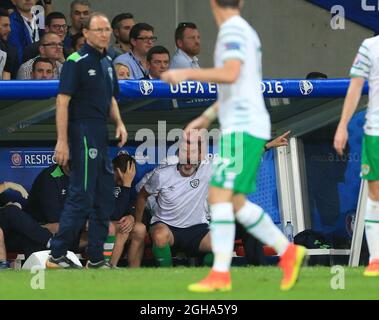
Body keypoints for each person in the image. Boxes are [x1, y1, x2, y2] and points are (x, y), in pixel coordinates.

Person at [161, 0, 306, 292]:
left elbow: (229, 74)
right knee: (232, 201)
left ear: (214, 4)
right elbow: (235, 86)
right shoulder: (242, 32)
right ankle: (286, 253)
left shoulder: (233, 32)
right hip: (242, 124)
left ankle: (222, 272)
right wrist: (205, 117)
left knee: (221, 198)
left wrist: (185, 74)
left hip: (245, 125)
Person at [46, 12, 127, 269]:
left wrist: (120, 123)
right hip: (81, 132)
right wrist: (62, 141)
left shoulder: (108, 63)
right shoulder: (75, 61)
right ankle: (56, 256)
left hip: (100, 134)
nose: (104, 34)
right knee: (81, 195)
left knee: (104, 198)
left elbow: (111, 99)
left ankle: (95, 259)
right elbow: (62, 101)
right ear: (87, 34)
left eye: (107, 30)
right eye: (99, 30)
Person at [334, 34, 379, 276]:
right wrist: (343, 125)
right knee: (375, 195)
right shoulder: (369, 46)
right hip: (375, 132)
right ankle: (375, 259)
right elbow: (355, 86)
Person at [135, 134, 212, 267]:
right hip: (167, 226)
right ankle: (168, 277)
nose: (188, 162)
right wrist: (137, 223)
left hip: (197, 229)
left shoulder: (208, 169)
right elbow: (142, 196)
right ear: (178, 155)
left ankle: (203, 275)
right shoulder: (162, 174)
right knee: (159, 236)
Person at [108, 153, 146, 267]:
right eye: (121, 177)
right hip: (96, 225)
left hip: (115, 225)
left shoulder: (127, 186)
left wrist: (131, 217)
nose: (122, 180)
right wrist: (126, 185)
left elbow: (129, 207)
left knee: (141, 228)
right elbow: (114, 214)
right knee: (124, 228)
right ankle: (109, 267)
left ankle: (134, 271)